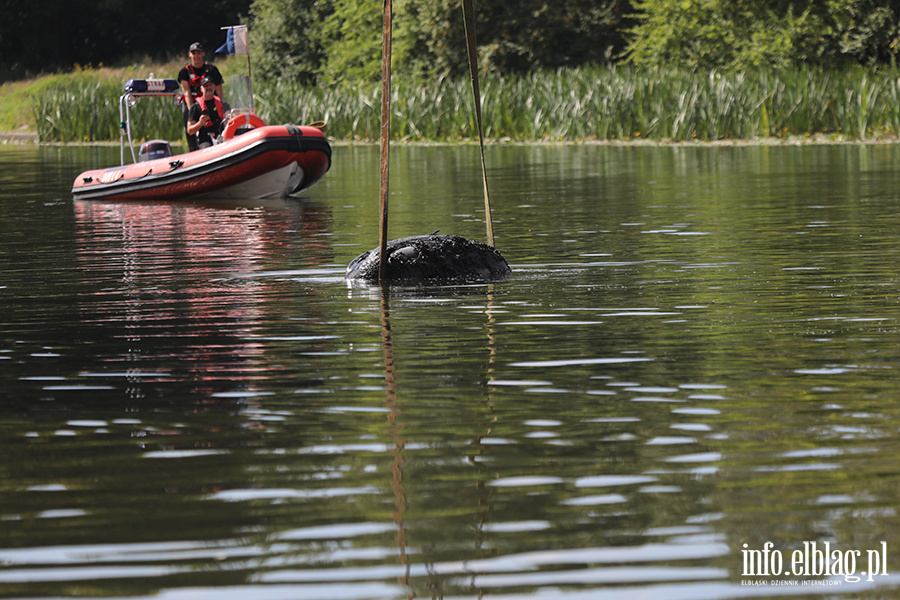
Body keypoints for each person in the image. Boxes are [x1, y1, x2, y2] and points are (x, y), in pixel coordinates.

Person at [177, 42, 224, 151]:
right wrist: (192, 111)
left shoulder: (212, 70)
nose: (196, 56)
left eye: (198, 53)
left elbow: (220, 92)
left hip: (212, 105)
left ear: (203, 54)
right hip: (194, 107)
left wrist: (221, 107)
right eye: (194, 53)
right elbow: (187, 93)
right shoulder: (184, 72)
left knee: (218, 129)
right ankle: (193, 153)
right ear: (190, 54)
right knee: (191, 134)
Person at [186, 76, 231, 149]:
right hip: (205, 139)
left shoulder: (223, 104)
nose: (208, 87)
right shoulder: (195, 107)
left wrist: (231, 118)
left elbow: (229, 116)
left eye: (210, 85)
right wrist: (200, 123)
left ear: (214, 87)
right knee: (207, 148)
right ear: (201, 89)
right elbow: (190, 130)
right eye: (206, 86)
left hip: (222, 136)